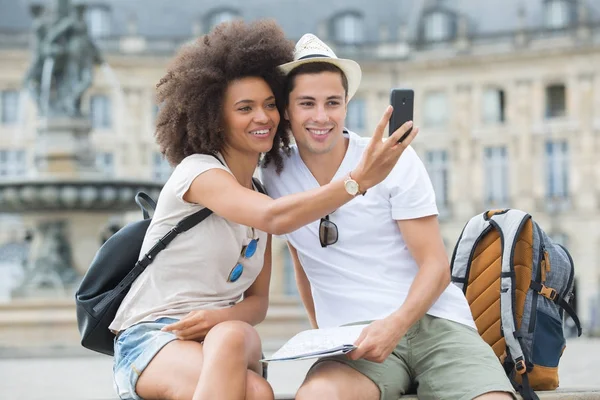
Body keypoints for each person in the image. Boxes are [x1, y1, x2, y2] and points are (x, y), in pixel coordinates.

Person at [109, 22, 416, 400]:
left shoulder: (262, 191)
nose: (263, 117)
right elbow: (275, 218)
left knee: (238, 343)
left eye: (270, 105)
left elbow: (257, 303)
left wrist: (218, 317)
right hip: (156, 337)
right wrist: (356, 181)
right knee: (252, 383)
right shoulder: (199, 173)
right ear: (214, 117)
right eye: (245, 108)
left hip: (220, 338)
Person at [259, 33, 517, 400]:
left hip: (436, 325)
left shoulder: (393, 158)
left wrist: (394, 326)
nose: (321, 116)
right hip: (355, 340)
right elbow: (303, 263)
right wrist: (324, 335)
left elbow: (435, 266)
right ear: (286, 109)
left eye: (333, 102)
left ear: (346, 105)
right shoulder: (274, 173)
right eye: (307, 103)